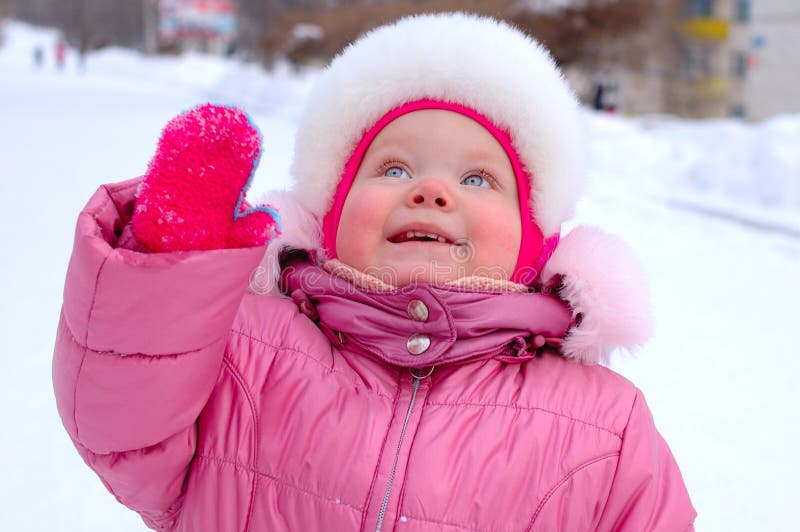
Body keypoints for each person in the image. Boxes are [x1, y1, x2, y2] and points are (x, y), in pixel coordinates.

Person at [52, 13, 696, 531]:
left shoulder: (605, 427)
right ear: (330, 213)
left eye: (477, 177)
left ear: (534, 238)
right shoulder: (245, 348)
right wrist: (168, 260)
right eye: (393, 168)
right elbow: (123, 435)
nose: (431, 191)